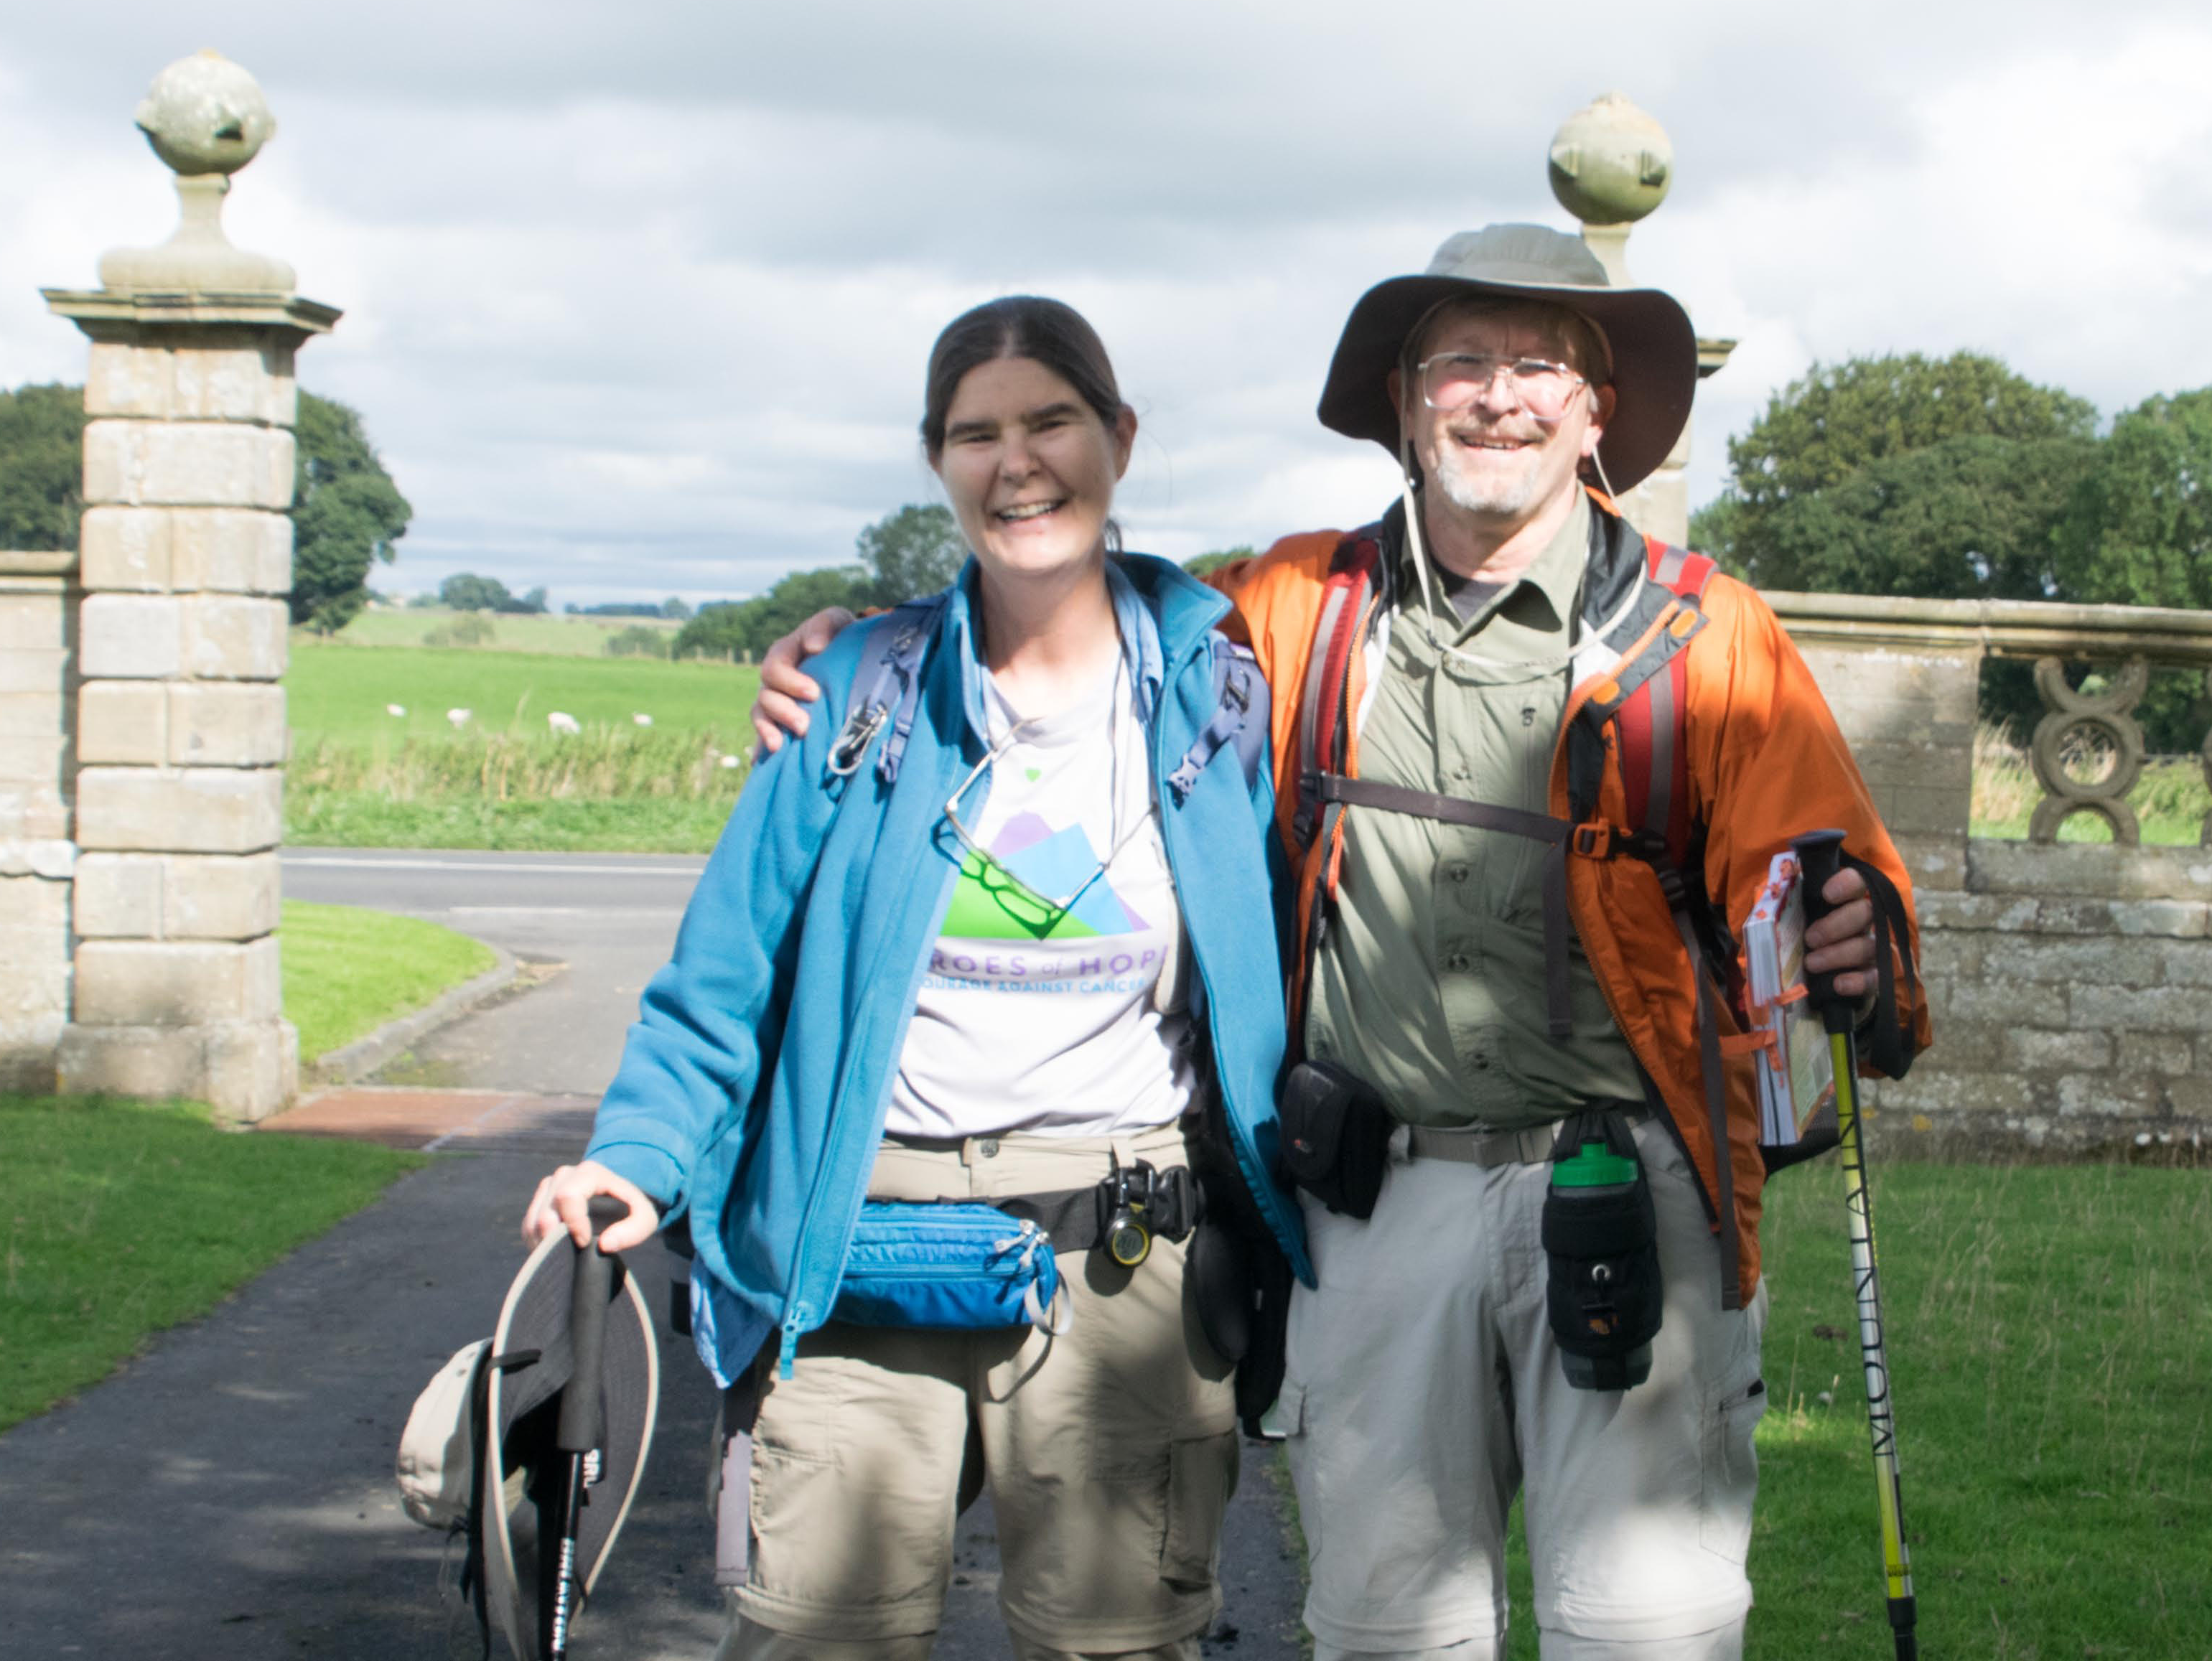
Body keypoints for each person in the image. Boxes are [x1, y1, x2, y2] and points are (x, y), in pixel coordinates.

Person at [757, 225, 1932, 1661]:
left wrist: (1860, 936)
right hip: (1376, 1205)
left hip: (1636, 1183)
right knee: (1386, 1633)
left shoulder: (1711, 633)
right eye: (1460, 361)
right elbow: (1067, 623)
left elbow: (1826, 870)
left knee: (1646, 1634)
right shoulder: (1291, 605)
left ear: (1593, 408)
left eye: (1537, 365)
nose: (1498, 394)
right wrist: (860, 651)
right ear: (1402, 400)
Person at [527, 295, 1312, 1661]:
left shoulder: (1224, 688)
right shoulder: (852, 696)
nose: (1018, 462)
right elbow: (722, 980)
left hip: (1123, 1267)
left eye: (1051, 420)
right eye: (976, 433)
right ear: (939, 460)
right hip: (857, 1263)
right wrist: (637, 1156)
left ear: (1119, 437)